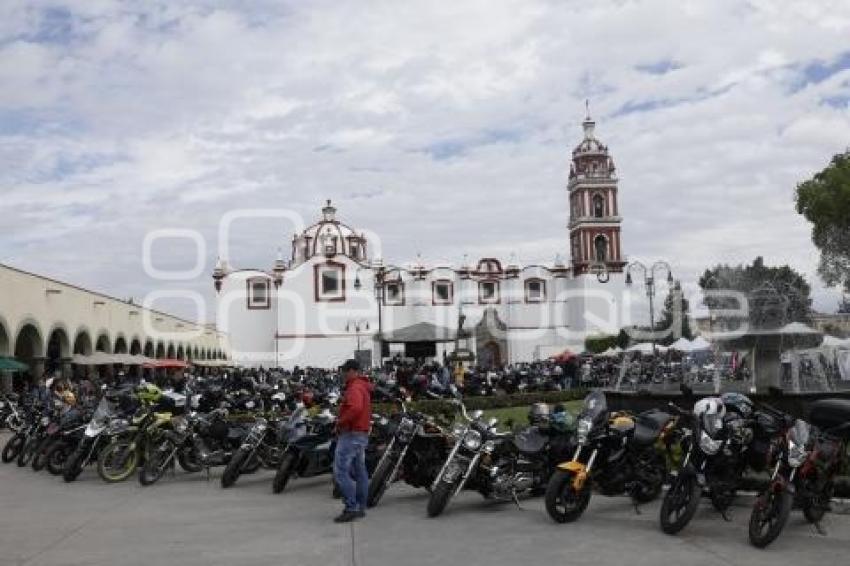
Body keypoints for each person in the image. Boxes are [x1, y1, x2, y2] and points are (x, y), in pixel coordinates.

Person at [333, 359, 372, 523]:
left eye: (344, 371)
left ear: (352, 371)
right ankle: (360, 507)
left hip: (351, 434)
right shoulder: (362, 386)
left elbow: (355, 408)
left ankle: (351, 507)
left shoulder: (354, 387)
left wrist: (340, 422)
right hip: (360, 434)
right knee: (360, 471)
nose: (342, 374)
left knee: (341, 471)